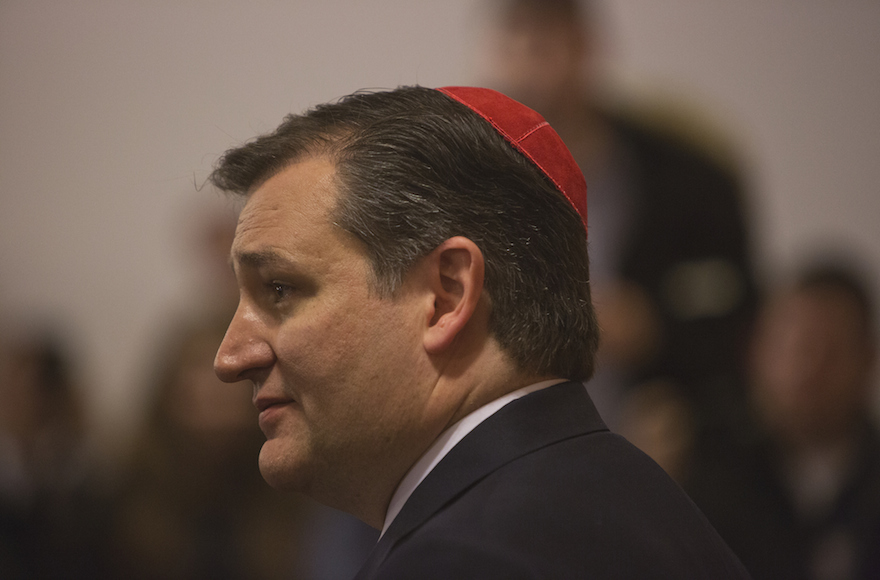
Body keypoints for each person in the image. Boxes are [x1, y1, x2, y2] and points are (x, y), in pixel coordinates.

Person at [209, 84, 750, 578]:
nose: (230, 356)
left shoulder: (463, 560)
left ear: (446, 296)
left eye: (279, 289)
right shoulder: (630, 500)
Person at [480, 0, 759, 436]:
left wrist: (656, 324)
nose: (531, 70)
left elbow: (738, 305)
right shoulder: (469, 176)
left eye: (544, 45)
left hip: (653, 434)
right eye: (515, 44)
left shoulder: (687, 177)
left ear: (585, 46)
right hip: (504, 434)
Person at [687, 261, 880, 580]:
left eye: (829, 351)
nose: (808, 371)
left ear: (867, 359)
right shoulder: (707, 464)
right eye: (792, 347)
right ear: (755, 350)